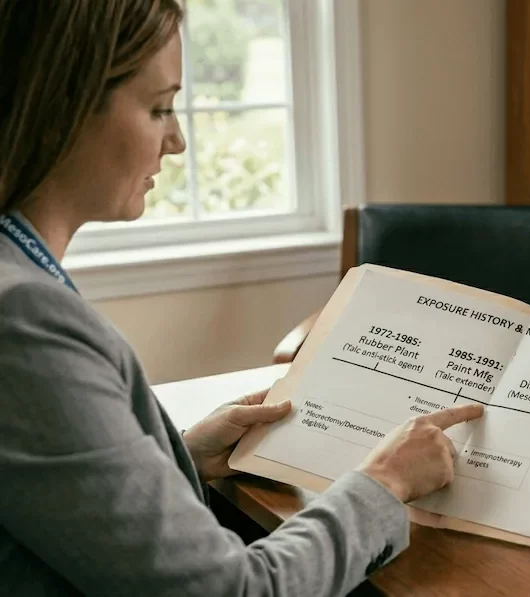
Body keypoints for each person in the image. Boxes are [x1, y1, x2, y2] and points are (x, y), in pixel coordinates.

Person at [0, 2, 484, 595]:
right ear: (61, 108)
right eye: (158, 108)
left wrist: (178, 454)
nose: (176, 140)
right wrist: (383, 483)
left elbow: (50, 485)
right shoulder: (23, 321)